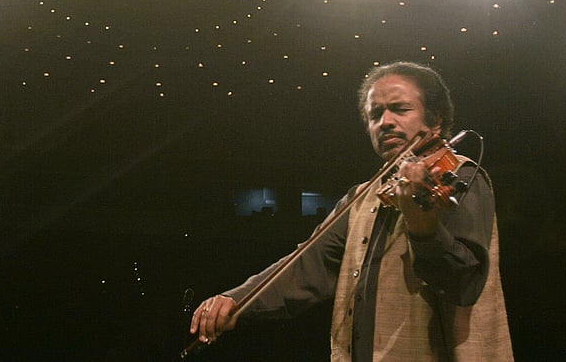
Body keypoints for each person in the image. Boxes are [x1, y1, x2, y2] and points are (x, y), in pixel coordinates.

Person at [190, 62, 513, 361]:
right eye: (375, 114)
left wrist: (422, 225)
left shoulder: (460, 176)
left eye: (400, 109)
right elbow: (306, 264)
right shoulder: (364, 195)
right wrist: (238, 301)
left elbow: (464, 284)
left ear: (436, 119)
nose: (385, 122)